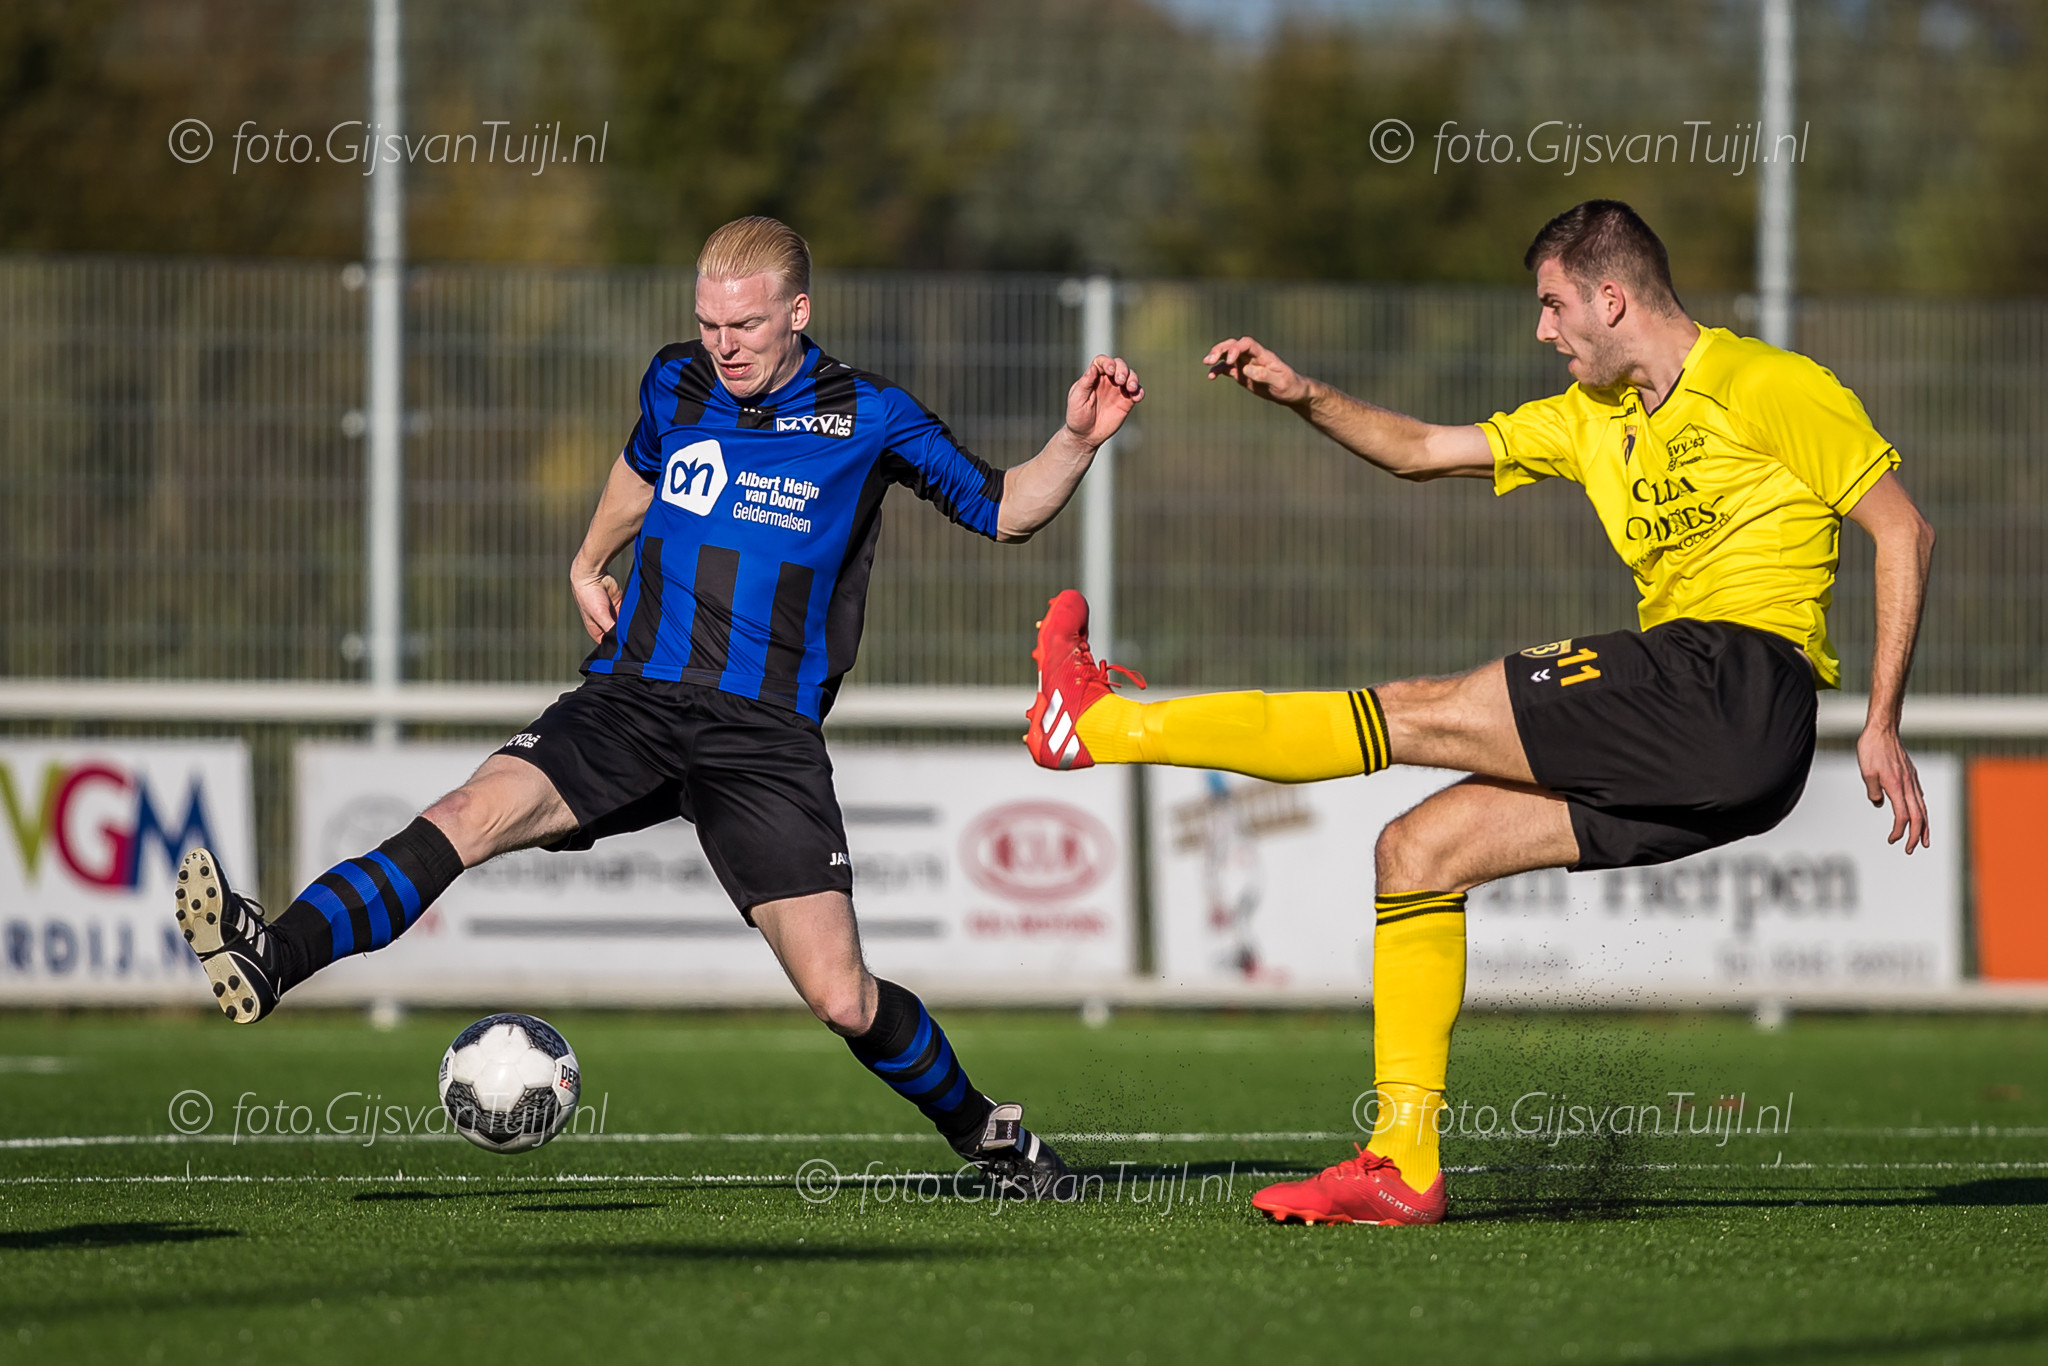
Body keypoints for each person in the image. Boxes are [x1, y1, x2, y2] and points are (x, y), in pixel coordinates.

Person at [175, 215, 1143, 1200]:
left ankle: (992, 1140)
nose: (723, 345)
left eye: (746, 325)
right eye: (709, 322)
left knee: (843, 999)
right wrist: (588, 557)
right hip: (631, 700)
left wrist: (1075, 439)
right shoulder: (675, 379)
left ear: (798, 312)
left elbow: (1006, 508)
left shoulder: (870, 413)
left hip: (760, 737)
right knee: (465, 814)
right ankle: (273, 954)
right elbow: (642, 469)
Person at [1023, 199, 1933, 1225]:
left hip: (1731, 680)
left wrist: (1880, 720)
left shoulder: (1767, 382)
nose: (1542, 330)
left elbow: (1902, 530)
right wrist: (1302, 394)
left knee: (1416, 712)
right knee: (1418, 851)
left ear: (1610, 298)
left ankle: (1099, 726)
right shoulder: (1590, 417)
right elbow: (1419, 450)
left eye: (1552, 306)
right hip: (1724, 758)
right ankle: (1402, 1163)